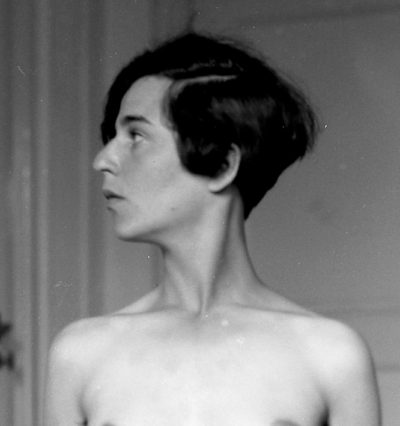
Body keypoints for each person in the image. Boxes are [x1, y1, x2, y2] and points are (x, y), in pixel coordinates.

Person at [45, 32, 381, 425]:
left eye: (135, 135)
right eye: (112, 137)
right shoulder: (81, 354)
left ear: (222, 164)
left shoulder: (330, 355)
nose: (103, 160)